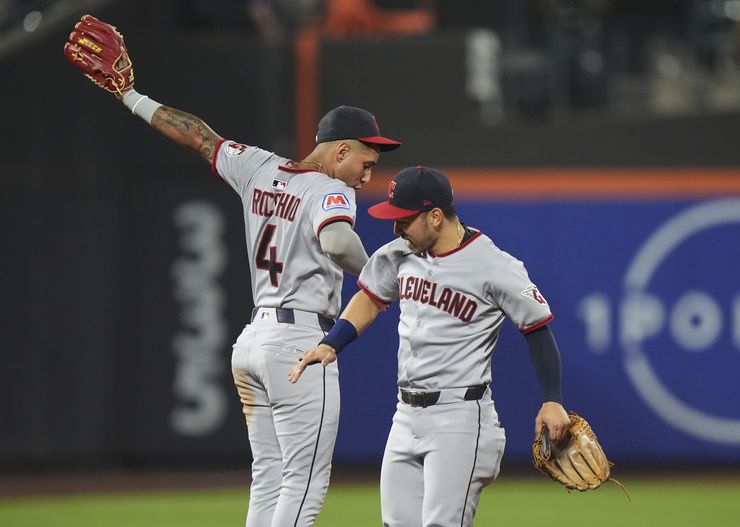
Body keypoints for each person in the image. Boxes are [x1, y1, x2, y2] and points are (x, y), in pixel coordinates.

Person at [65, 17, 400, 526]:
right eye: (366, 159)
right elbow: (336, 241)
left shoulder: (259, 167)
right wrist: (381, 272)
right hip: (299, 345)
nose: (368, 172)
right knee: (304, 482)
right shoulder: (333, 189)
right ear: (340, 150)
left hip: (252, 343)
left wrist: (130, 95)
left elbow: (199, 135)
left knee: (268, 475)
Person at [289, 166, 571, 526]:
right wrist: (333, 342)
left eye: (404, 219)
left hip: (461, 417)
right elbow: (370, 297)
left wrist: (553, 400)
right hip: (405, 415)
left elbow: (537, 329)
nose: (396, 228)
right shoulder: (399, 253)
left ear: (435, 216)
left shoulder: (494, 266)